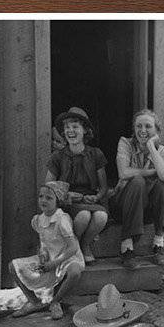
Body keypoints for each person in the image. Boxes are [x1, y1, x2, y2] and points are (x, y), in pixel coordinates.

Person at [10, 180, 85, 321]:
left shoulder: (62, 219)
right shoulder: (38, 220)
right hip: (50, 257)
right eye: (41, 196)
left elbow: (73, 247)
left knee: (75, 272)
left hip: (66, 257)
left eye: (49, 198)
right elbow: (44, 242)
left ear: (58, 201)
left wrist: (56, 262)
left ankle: (55, 301)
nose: (43, 200)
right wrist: (43, 254)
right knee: (13, 266)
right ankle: (34, 302)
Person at [111, 108, 164, 267]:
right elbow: (123, 172)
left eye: (148, 126)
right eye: (139, 126)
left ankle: (159, 242)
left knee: (163, 185)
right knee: (138, 181)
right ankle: (127, 247)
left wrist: (152, 148)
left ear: (157, 131)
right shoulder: (125, 143)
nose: (142, 130)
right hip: (122, 206)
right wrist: (152, 172)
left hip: (147, 211)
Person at [46, 106, 109, 262]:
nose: (70, 131)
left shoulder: (96, 154)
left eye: (75, 127)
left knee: (101, 216)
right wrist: (66, 195)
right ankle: (73, 247)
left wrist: (96, 197)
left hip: (90, 199)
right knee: (83, 216)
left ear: (85, 130)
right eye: (67, 127)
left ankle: (83, 245)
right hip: (67, 202)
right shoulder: (58, 156)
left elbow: (103, 187)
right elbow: (48, 186)